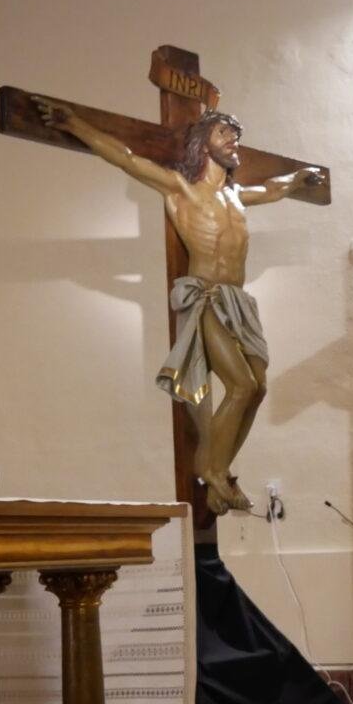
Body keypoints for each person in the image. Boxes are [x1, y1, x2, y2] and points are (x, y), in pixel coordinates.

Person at [32, 97, 324, 515]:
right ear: (203, 142)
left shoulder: (237, 195)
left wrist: (299, 177)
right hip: (205, 296)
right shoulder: (180, 188)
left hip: (238, 301)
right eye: (225, 133)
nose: (234, 140)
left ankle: (218, 466)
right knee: (241, 385)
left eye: (236, 135)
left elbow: (274, 188)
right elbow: (125, 157)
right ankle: (212, 468)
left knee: (258, 388)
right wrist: (75, 124)